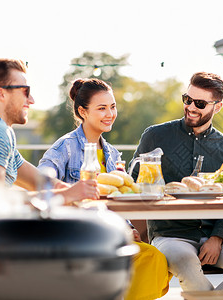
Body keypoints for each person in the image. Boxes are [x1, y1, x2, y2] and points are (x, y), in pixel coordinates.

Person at [38, 78, 171, 300]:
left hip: (109, 235)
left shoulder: (112, 153)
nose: (110, 113)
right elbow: (41, 180)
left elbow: (118, 198)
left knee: (154, 259)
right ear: (83, 111)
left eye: (112, 106)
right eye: (101, 108)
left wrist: (128, 226)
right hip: (77, 238)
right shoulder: (66, 147)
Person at [129, 72, 223, 291]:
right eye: (187, 99)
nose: (190, 107)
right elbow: (131, 182)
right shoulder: (155, 135)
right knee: (188, 264)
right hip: (169, 235)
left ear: (217, 107)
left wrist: (218, 238)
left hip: (214, 236)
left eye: (199, 103)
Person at [0, 58, 98, 203]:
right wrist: (66, 195)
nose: (31, 100)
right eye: (26, 91)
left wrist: (76, 189)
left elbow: (39, 182)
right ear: (1, 94)